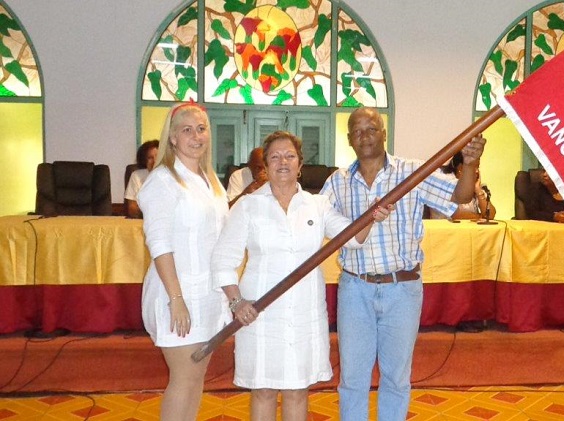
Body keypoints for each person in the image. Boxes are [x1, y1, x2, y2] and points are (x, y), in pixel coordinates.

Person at [211, 131, 393, 421]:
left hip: (304, 313)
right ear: (265, 166)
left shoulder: (317, 205)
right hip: (259, 312)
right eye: (275, 157)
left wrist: (373, 216)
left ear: (300, 164)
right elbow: (223, 261)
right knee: (263, 390)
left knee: (297, 390)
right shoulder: (248, 206)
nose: (283, 162)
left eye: (289, 156)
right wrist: (237, 303)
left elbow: (353, 237)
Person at [319, 107, 485, 420]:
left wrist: (470, 164)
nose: (365, 136)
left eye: (372, 129)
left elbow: (459, 197)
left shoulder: (413, 172)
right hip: (355, 289)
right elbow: (317, 223)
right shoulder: (337, 183)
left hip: (402, 290)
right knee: (352, 378)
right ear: (349, 138)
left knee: (396, 377)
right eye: (358, 131)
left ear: (384, 133)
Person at [137, 102, 231, 421]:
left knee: (195, 380)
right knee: (183, 379)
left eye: (201, 129)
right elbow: (159, 245)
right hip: (177, 295)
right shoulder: (163, 180)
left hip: (207, 295)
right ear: (173, 137)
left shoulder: (209, 179)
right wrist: (176, 299)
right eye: (187, 130)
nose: (196, 136)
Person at [432, 151, 496, 220]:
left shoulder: (474, 186)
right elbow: (455, 215)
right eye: (474, 167)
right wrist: (480, 217)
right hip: (443, 226)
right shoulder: (446, 183)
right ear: (460, 168)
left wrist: (478, 190)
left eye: (478, 167)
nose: (477, 171)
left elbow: (490, 215)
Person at [124, 139, 159, 218]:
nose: (155, 161)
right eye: (150, 158)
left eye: (158, 156)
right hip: (143, 220)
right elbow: (132, 209)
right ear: (144, 160)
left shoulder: (172, 176)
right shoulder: (136, 176)